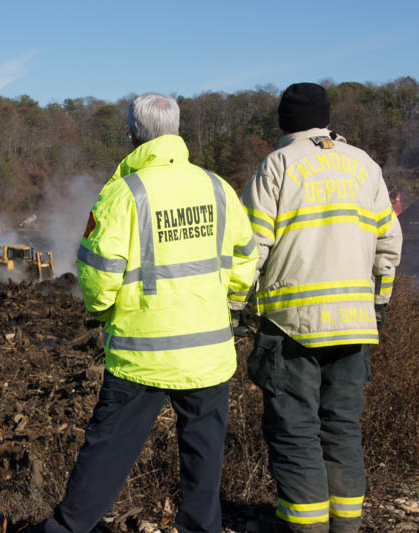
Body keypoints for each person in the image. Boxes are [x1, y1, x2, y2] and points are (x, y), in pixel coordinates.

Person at [38, 93, 258, 533]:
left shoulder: (123, 194)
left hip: (142, 357)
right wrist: (229, 306)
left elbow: (99, 278)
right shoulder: (218, 188)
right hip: (209, 355)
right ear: (178, 132)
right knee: (203, 462)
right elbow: (245, 258)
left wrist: (102, 312)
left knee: (106, 455)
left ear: (132, 135)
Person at [232, 83, 402, 533]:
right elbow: (389, 241)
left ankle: (306, 528)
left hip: (293, 328)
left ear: (284, 122)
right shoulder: (365, 166)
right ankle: (345, 526)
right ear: (326, 118)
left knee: (295, 430)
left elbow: (251, 248)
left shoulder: (278, 165)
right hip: (356, 322)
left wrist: (233, 305)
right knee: (342, 427)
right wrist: (379, 301)